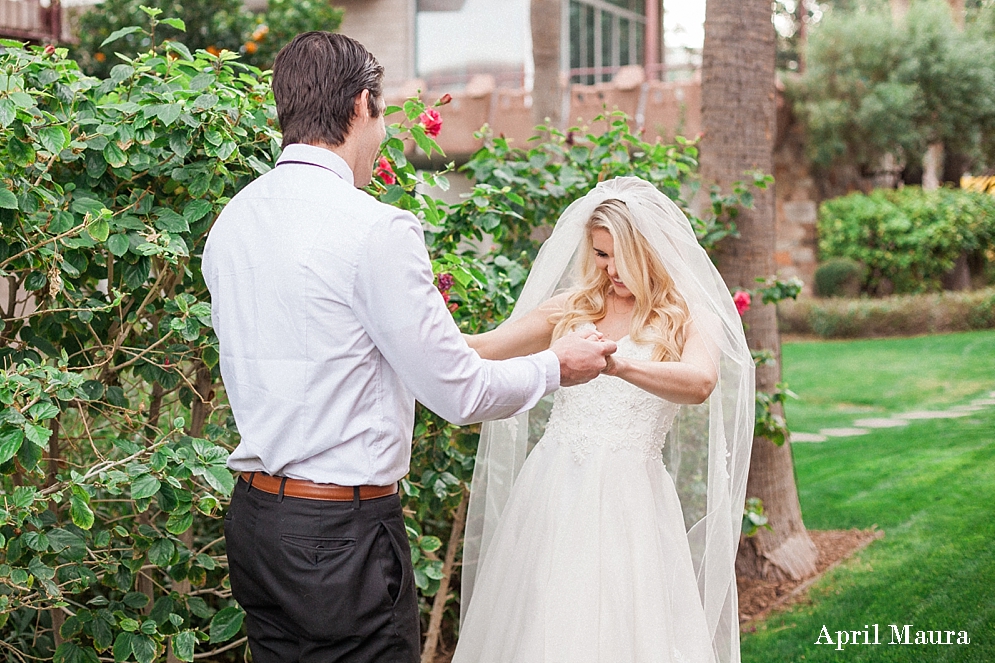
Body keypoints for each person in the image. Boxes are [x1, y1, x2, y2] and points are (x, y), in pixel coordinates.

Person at [202, 32, 616, 663]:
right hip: (340, 540)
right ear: (363, 105)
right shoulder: (376, 227)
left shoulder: (233, 221)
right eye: (382, 111)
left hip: (257, 525)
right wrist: (557, 367)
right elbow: (460, 392)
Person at [453, 177, 756, 663]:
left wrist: (618, 365)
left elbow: (700, 382)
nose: (611, 270)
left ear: (651, 251)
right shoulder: (573, 307)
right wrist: (413, 331)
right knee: (546, 616)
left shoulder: (688, 317)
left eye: (621, 256)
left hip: (630, 494)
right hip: (555, 486)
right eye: (600, 255)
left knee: (627, 622)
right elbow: (486, 347)